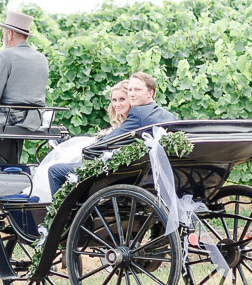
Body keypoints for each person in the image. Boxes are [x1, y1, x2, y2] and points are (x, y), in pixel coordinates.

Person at [47, 72, 175, 196]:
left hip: (122, 175)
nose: (132, 94)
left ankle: (67, 216)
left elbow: (110, 141)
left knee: (54, 171)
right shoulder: (168, 116)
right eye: (130, 90)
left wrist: (89, 150)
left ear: (150, 93)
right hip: (148, 175)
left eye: (137, 90)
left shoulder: (139, 113)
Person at [0, 10, 49, 165]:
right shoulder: (42, 59)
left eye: (3, 32)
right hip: (34, 118)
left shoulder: (5, 56)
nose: (3, 36)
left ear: (10, 34)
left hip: (10, 117)